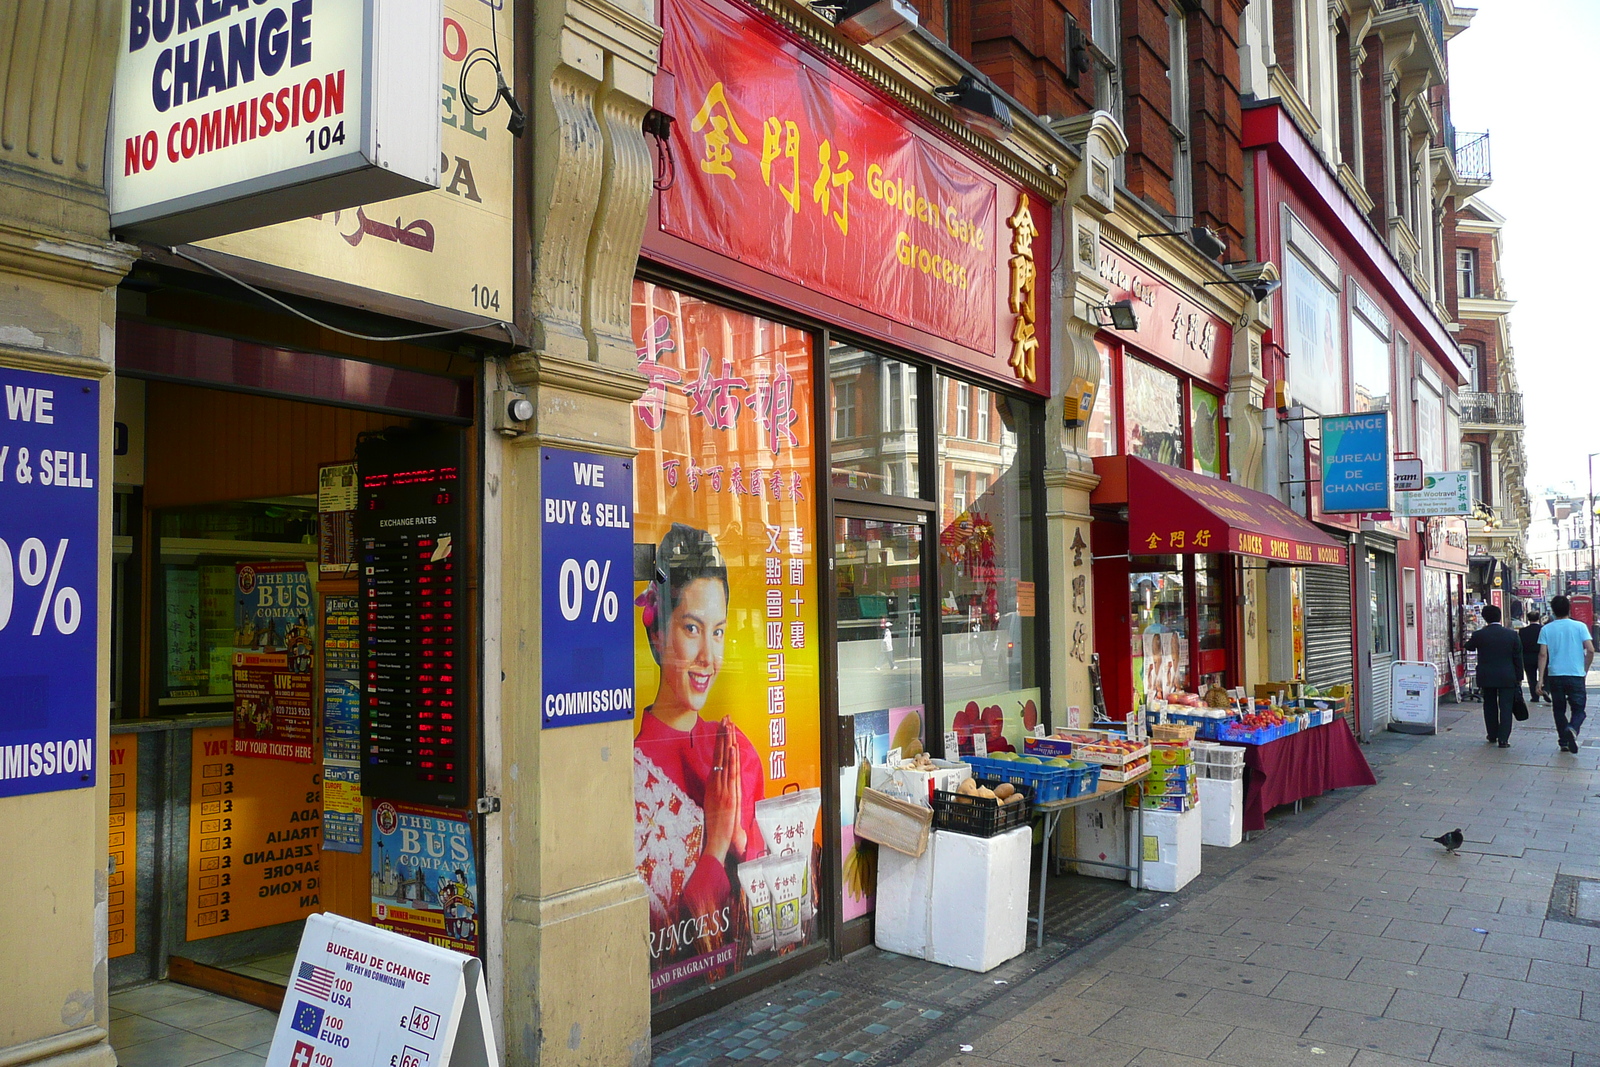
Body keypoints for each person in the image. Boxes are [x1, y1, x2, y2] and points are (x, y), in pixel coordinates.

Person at [632, 524, 764, 971]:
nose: (709, 656)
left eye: (719, 632)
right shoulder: (628, 774)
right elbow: (657, 948)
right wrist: (715, 847)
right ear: (656, 634)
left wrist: (739, 839)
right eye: (692, 628)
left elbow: (769, 907)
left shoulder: (735, 751)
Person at [1537, 594, 1595, 753]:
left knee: (1559, 709)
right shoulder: (1580, 626)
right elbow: (1590, 650)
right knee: (1579, 709)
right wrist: (1584, 669)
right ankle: (1572, 728)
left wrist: (1540, 679)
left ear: (1553, 611)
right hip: (1576, 674)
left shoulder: (1546, 629)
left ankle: (1563, 741)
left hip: (1555, 675)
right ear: (1569, 609)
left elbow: (1543, 654)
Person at [1464, 604, 1523, 747]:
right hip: (1507, 676)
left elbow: (1468, 646)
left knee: (1489, 705)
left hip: (1487, 676)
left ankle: (1492, 734)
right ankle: (1503, 739)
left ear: (1484, 618)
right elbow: (1518, 658)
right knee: (1506, 707)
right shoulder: (1512, 635)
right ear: (1500, 616)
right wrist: (1519, 677)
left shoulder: (1479, 635)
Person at [1519, 610, 1544, 702]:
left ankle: (1535, 696)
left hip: (1527, 657)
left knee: (1531, 677)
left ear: (1528, 619)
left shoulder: (1523, 631)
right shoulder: (1543, 629)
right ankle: (1545, 690)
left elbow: (1520, 645)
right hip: (1543, 656)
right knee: (1545, 675)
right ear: (1539, 618)